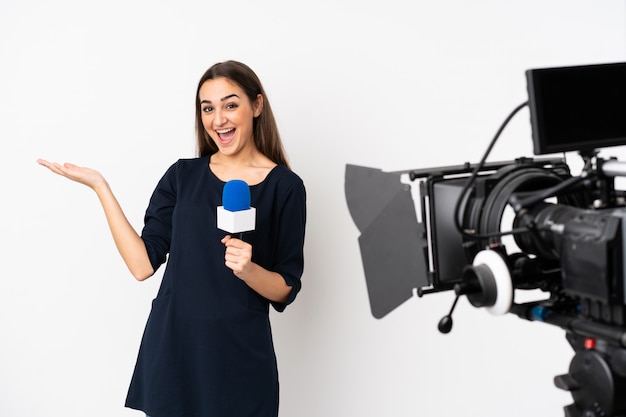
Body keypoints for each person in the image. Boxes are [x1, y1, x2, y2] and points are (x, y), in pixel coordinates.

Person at [37, 60, 307, 417]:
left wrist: (249, 270)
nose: (218, 119)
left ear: (256, 106)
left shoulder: (285, 187)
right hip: (175, 351)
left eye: (230, 105)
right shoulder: (182, 176)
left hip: (240, 358)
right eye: (207, 108)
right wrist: (101, 187)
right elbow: (141, 265)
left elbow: (286, 287)